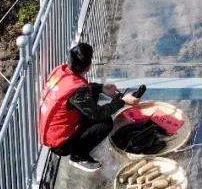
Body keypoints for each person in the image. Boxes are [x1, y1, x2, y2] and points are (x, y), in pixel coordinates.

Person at [38, 42, 146, 172]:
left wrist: (102, 88)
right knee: (105, 123)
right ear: (88, 66)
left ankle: (78, 145)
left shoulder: (61, 70)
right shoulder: (78, 92)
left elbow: (81, 89)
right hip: (60, 143)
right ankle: (78, 156)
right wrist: (122, 102)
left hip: (50, 131)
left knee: (92, 94)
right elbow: (98, 114)